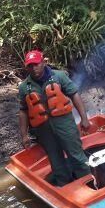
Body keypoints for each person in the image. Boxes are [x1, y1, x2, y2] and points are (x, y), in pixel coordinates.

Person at [17, 50, 93, 186]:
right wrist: (24, 135)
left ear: (43, 62)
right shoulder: (24, 87)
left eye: (36, 64)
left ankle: (89, 184)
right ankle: (66, 187)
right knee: (56, 162)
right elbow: (23, 111)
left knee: (77, 156)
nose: (34, 68)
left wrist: (84, 119)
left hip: (65, 124)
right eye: (30, 66)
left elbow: (74, 95)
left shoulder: (59, 76)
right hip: (44, 131)